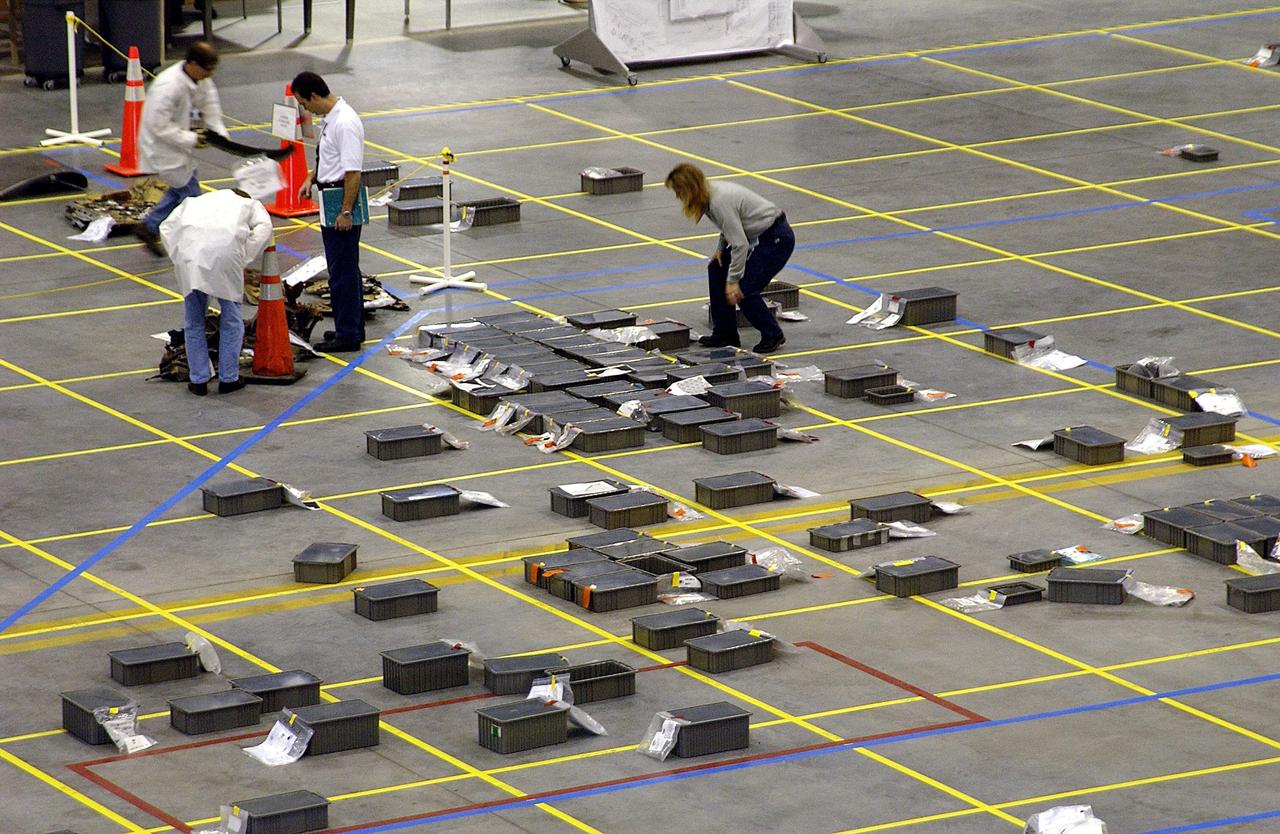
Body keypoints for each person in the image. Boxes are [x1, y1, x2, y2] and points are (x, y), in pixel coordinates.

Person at [665, 163, 794, 353]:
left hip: (775, 239)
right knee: (716, 268)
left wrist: (733, 281)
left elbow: (740, 244)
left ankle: (772, 334)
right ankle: (725, 333)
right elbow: (729, 225)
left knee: (744, 291)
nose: (678, 196)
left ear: (690, 187)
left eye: (679, 191)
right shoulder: (707, 195)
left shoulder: (718, 200)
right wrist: (720, 249)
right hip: (759, 236)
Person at [160, 189, 273, 396]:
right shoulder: (249, 203)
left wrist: (178, 255)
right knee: (231, 319)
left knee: (194, 321)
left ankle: (198, 380)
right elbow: (265, 227)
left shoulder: (194, 201)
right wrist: (245, 255)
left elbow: (166, 227)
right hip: (226, 254)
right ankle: (229, 378)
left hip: (189, 256)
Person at [292, 70, 366, 353]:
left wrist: (345, 212)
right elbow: (331, 159)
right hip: (331, 197)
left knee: (342, 272)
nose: (305, 109)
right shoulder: (332, 120)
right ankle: (351, 327)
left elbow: (352, 172)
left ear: (313, 95)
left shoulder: (345, 123)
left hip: (340, 201)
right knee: (343, 269)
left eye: (303, 103)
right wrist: (312, 177)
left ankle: (349, 335)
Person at [136, 41, 227, 257]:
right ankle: (199, 243)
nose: (210, 74)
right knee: (191, 197)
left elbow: (210, 106)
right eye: (207, 69)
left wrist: (220, 135)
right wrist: (192, 139)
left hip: (180, 147)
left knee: (179, 190)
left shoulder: (201, 79)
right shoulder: (168, 87)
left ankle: (149, 226)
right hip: (162, 147)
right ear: (193, 64)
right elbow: (158, 125)